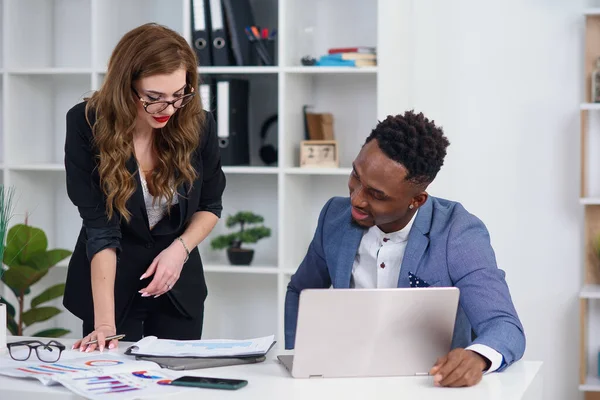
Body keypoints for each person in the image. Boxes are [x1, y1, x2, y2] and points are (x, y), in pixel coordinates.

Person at [284, 111, 525, 388]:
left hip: (428, 386)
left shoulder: (458, 233)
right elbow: (300, 290)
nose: (356, 198)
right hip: (346, 382)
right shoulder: (334, 217)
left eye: (376, 194)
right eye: (355, 175)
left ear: (417, 200)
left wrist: (476, 357)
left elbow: (504, 325)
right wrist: (298, 358)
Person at [63, 23, 226, 352]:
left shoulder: (199, 123)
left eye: (179, 95)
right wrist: (104, 323)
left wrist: (179, 251)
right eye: (154, 98)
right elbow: (100, 228)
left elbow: (211, 205)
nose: (168, 109)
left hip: (177, 287)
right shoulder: (86, 124)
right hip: (111, 288)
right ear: (126, 87)